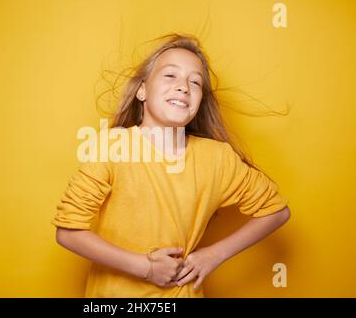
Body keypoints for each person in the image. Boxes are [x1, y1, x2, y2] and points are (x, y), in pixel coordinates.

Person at [52, 33, 291, 297]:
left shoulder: (218, 158)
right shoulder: (112, 147)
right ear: (142, 90)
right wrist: (145, 267)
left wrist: (214, 255)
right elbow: (68, 232)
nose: (183, 87)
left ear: (199, 101)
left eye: (195, 82)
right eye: (170, 75)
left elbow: (276, 212)